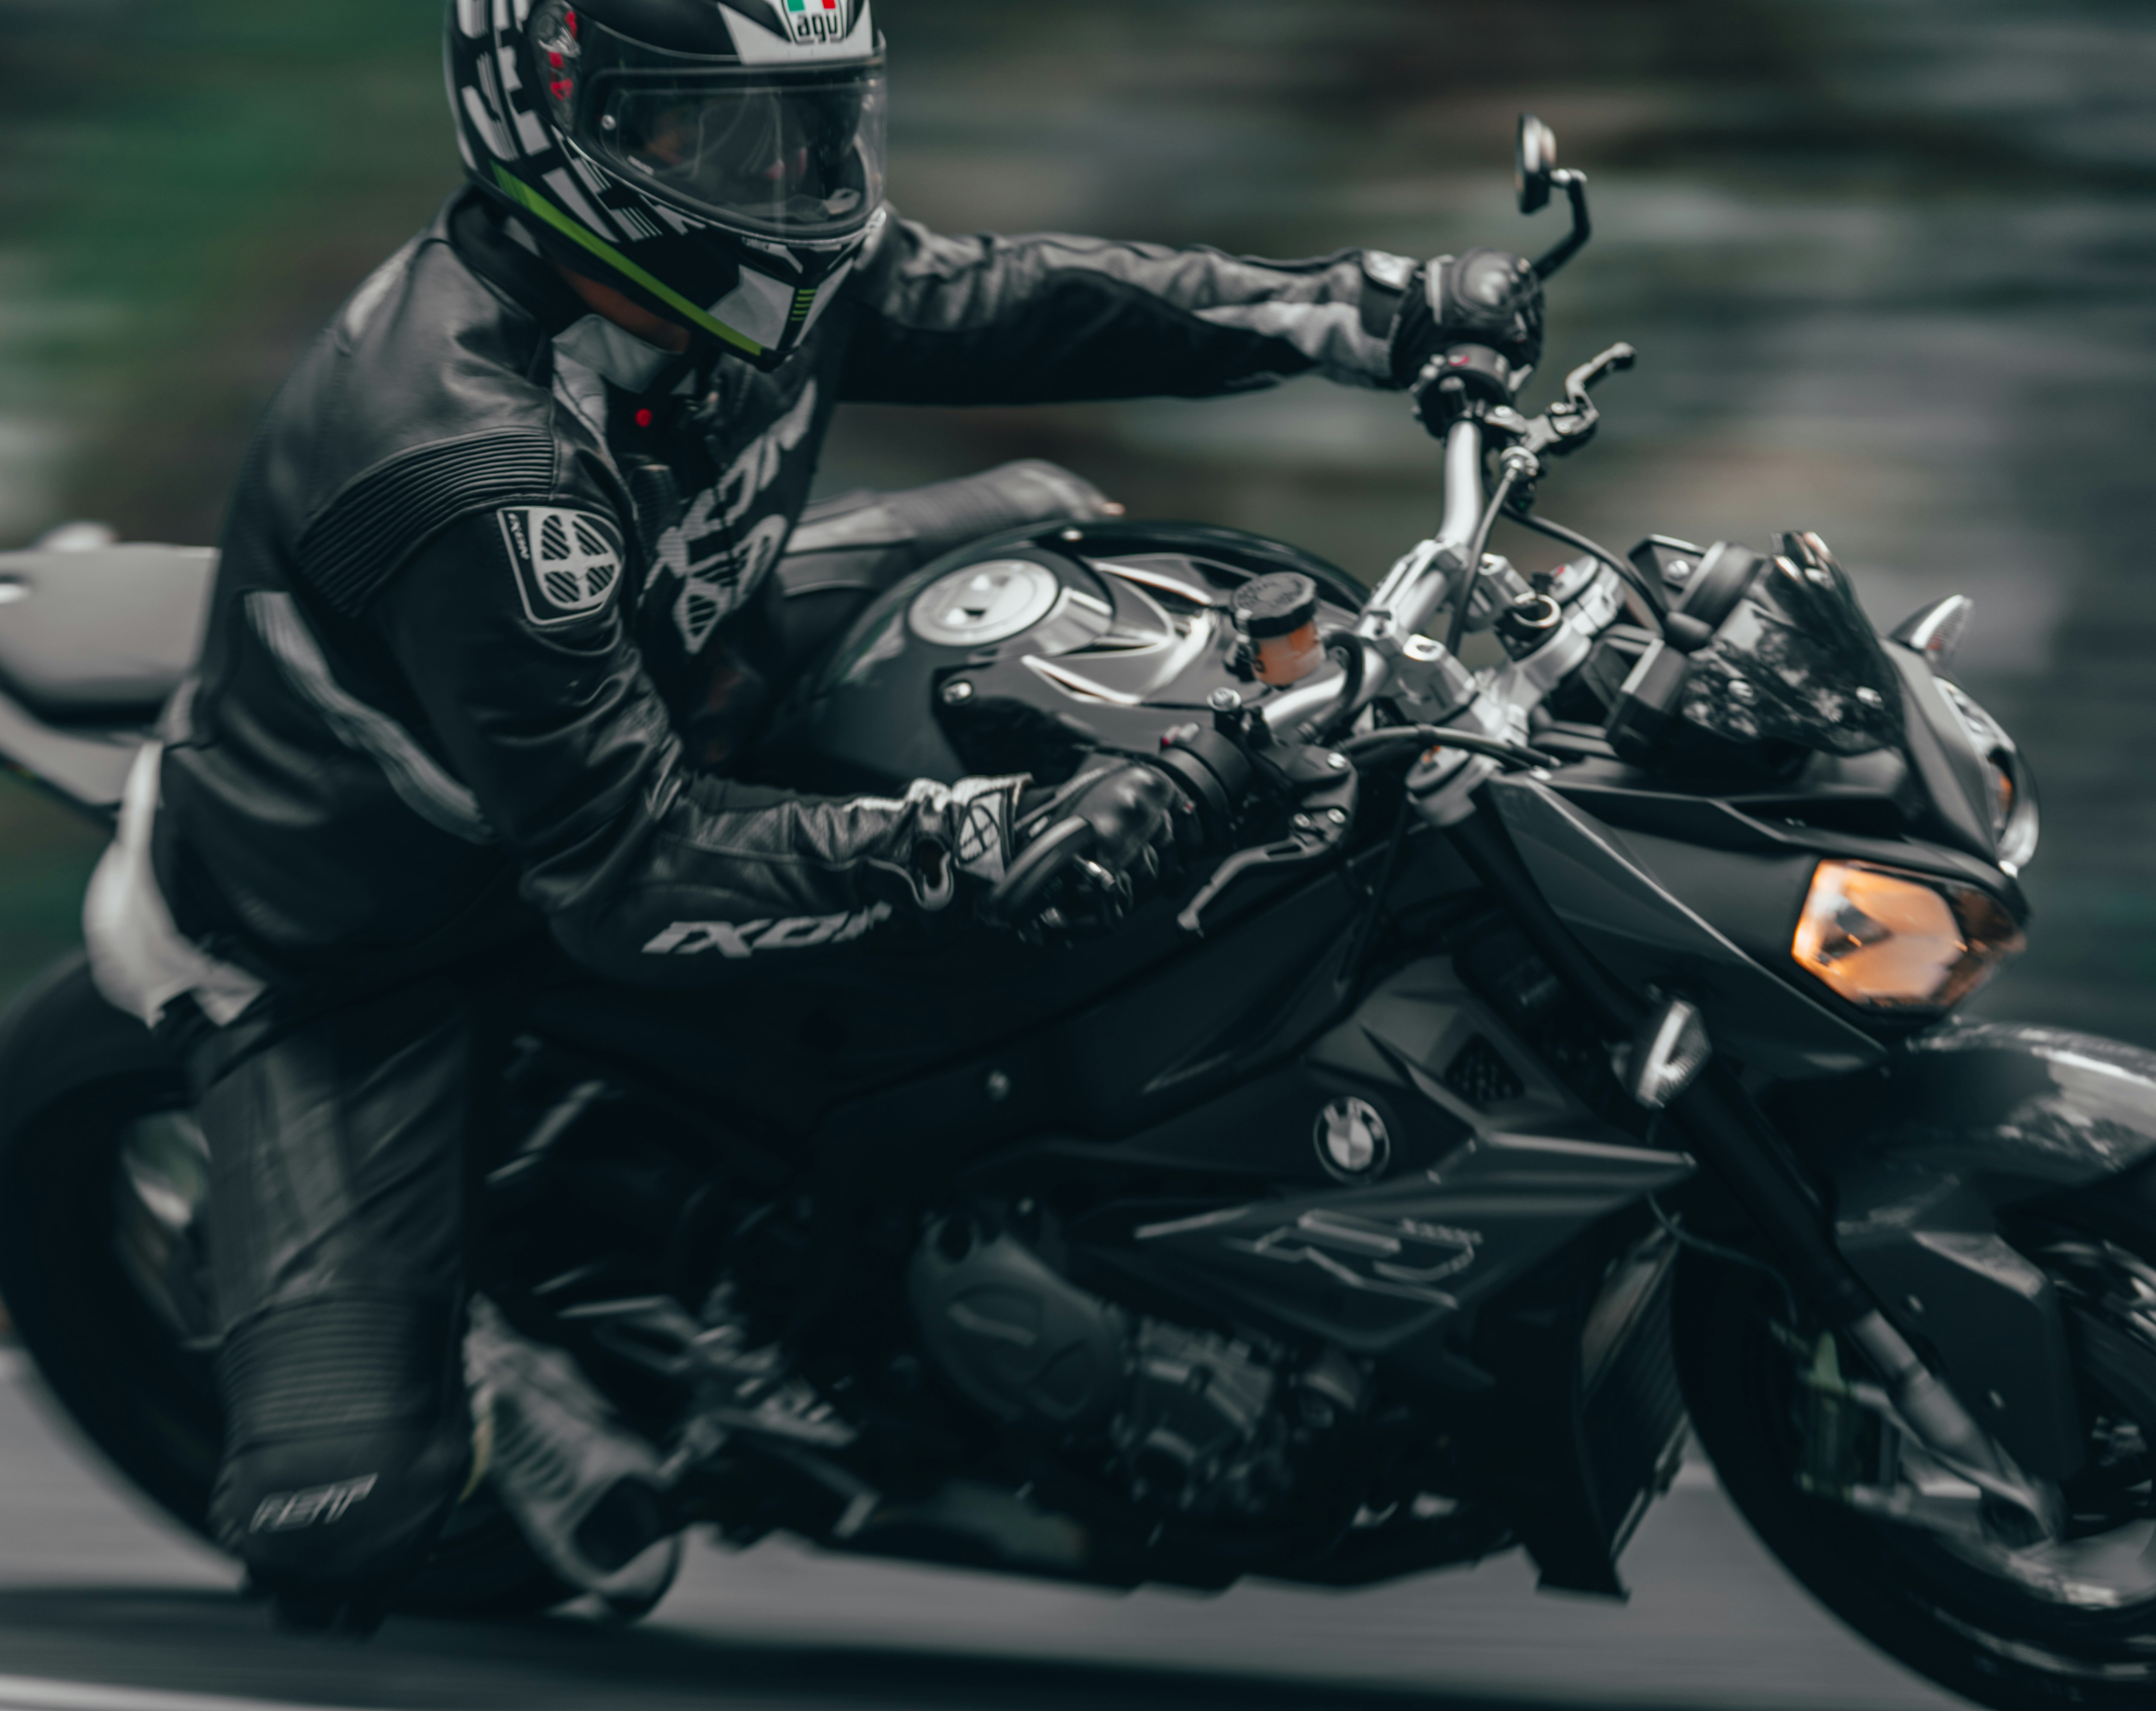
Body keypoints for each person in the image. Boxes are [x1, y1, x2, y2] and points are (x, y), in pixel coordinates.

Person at [80, 0, 1545, 1631]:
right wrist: (976, 837)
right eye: (709, 131)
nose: (792, 179)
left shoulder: (729, 270)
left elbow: (1011, 299)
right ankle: (492, 1367)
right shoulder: (466, 463)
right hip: (370, 937)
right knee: (347, 1521)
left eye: (814, 122)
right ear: (554, 119)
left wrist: (1360, 311)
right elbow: (625, 876)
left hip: (661, 659)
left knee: (1062, 543)